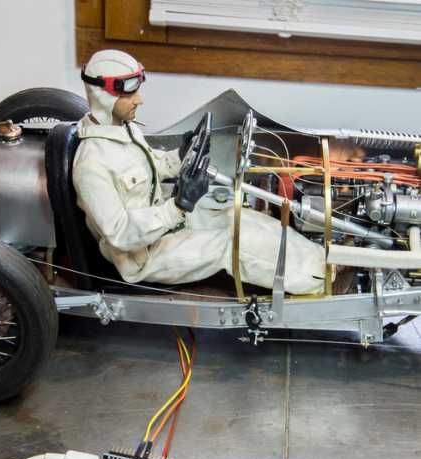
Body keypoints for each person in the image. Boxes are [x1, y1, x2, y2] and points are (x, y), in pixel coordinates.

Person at [73, 49, 327, 294]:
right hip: (143, 257)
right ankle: (317, 281)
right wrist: (179, 206)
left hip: (164, 229)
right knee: (230, 243)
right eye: (130, 93)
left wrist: (181, 155)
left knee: (235, 217)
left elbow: (152, 166)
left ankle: (320, 259)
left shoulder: (123, 130)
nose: (139, 99)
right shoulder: (91, 165)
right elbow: (120, 234)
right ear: (103, 96)